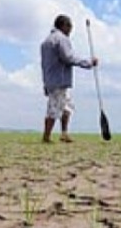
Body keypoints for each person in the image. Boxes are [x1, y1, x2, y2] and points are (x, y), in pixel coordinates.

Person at [40, 14, 98, 143]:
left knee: (67, 107)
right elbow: (68, 57)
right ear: (64, 25)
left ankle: (64, 133)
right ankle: (46, 136)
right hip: (59, 80)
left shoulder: (46, 42)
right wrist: (88, 63)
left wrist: (45, 83)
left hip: (52, 80)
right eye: (70, 26)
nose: (70, 30)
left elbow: (44, 65)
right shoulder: (61, 39)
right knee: (54, 108)